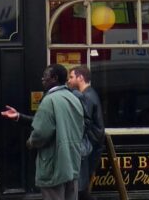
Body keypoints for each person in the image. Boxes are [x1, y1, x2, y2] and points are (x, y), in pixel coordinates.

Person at [1, 64, 85, 200]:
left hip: (53, 166)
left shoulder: (49, 100)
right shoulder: (74, 99)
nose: (42, 79)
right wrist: (18, 116)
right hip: (72, 163)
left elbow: (41, 133)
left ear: (54, 78)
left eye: (45, 76)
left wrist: (31, 142)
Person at [67, 65, 105, 200]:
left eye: (71, 77)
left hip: (90, 146)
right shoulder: (90, 93)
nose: (69, 81)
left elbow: (84, 122)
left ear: (80, 78)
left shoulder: (86, 97)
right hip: (93, 144)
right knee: (82, 188)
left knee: (81, 188)